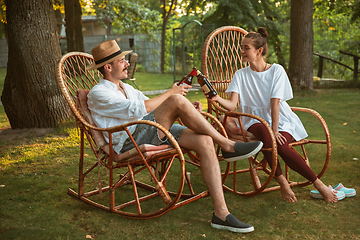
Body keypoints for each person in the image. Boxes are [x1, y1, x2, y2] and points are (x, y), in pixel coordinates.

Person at [86, 40, 263, 233]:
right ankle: (228, 145)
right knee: (176, 99)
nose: (127, 63)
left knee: (204, 140)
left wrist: (188, 110)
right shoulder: (99, 93)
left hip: (148, 129)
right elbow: (140, 109)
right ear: (108, 67)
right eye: (122, 61)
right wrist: (173, 95)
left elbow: (154, 106)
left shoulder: (126, 88)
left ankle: (221, 214)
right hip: (129, 141)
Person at [210, 27, 342, 203]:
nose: (241, 51)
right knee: (266, 134)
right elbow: (232, 105)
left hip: (280, 119)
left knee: (280, 145)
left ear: (259, 51)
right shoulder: (240, 74)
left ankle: (318, 184)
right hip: (253, 120)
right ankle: (284, 183)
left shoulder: (276, 70)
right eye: (241, 47)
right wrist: (217, 98)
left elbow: (275, 103)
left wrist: (275, 129)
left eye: (246, 48)